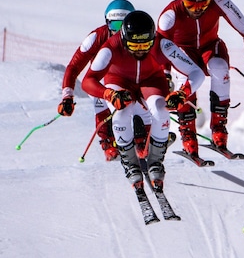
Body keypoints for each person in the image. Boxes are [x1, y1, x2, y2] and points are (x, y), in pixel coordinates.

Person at [81, 10, 205, 191]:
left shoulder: (163, 44)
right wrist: (108, 94)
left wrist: (183, 93)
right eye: (134, 46)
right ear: (123, 38)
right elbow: (88, 81)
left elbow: (197, 73)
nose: (140, 50)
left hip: (151, 80)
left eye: (145, 45)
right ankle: (130, 162)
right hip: (119, 81)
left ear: (153, 38)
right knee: (121, 112)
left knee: (161, 110)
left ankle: (156, 162)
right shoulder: (110, 47)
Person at [157, 0, 244, 155]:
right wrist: (164, 74)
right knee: (185, 76)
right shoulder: (169, 15)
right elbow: (160, 47)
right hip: (183, 51)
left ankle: (219, 129)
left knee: (220, 68)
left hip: (209, 46)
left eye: (204, 3)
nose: (198, 9)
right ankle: (188, 132)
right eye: (191, 4)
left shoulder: (220, 1)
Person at [58, 0, 136, 161]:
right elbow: (73, 67)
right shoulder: (96, 37)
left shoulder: (139, 34)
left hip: (127, 78)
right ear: (107, 23)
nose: (119, 32)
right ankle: (108, 143)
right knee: (101, 104)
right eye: (114, 26)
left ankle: (141, 138)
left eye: (124, 25)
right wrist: (67, 95)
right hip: (101, 80)